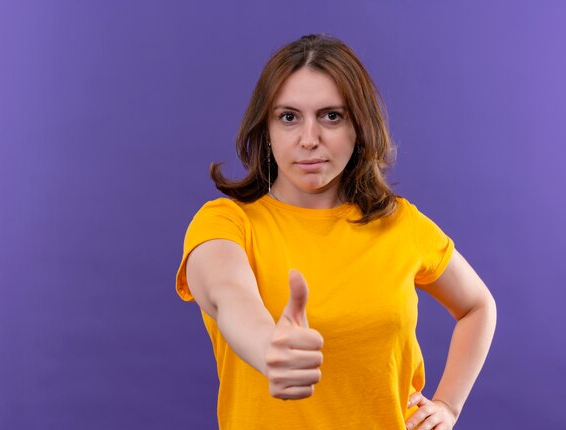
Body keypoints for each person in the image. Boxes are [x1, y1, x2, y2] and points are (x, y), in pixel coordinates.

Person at [175, 34, 496, 430]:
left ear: (358, 127)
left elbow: (478, 307)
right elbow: (228, 295)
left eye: (331, 116)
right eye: (288, 117)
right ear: (267, 130)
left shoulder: (401, 224)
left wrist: (448, 405)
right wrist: (268, 347)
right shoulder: (225, 223)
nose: (309, 139)